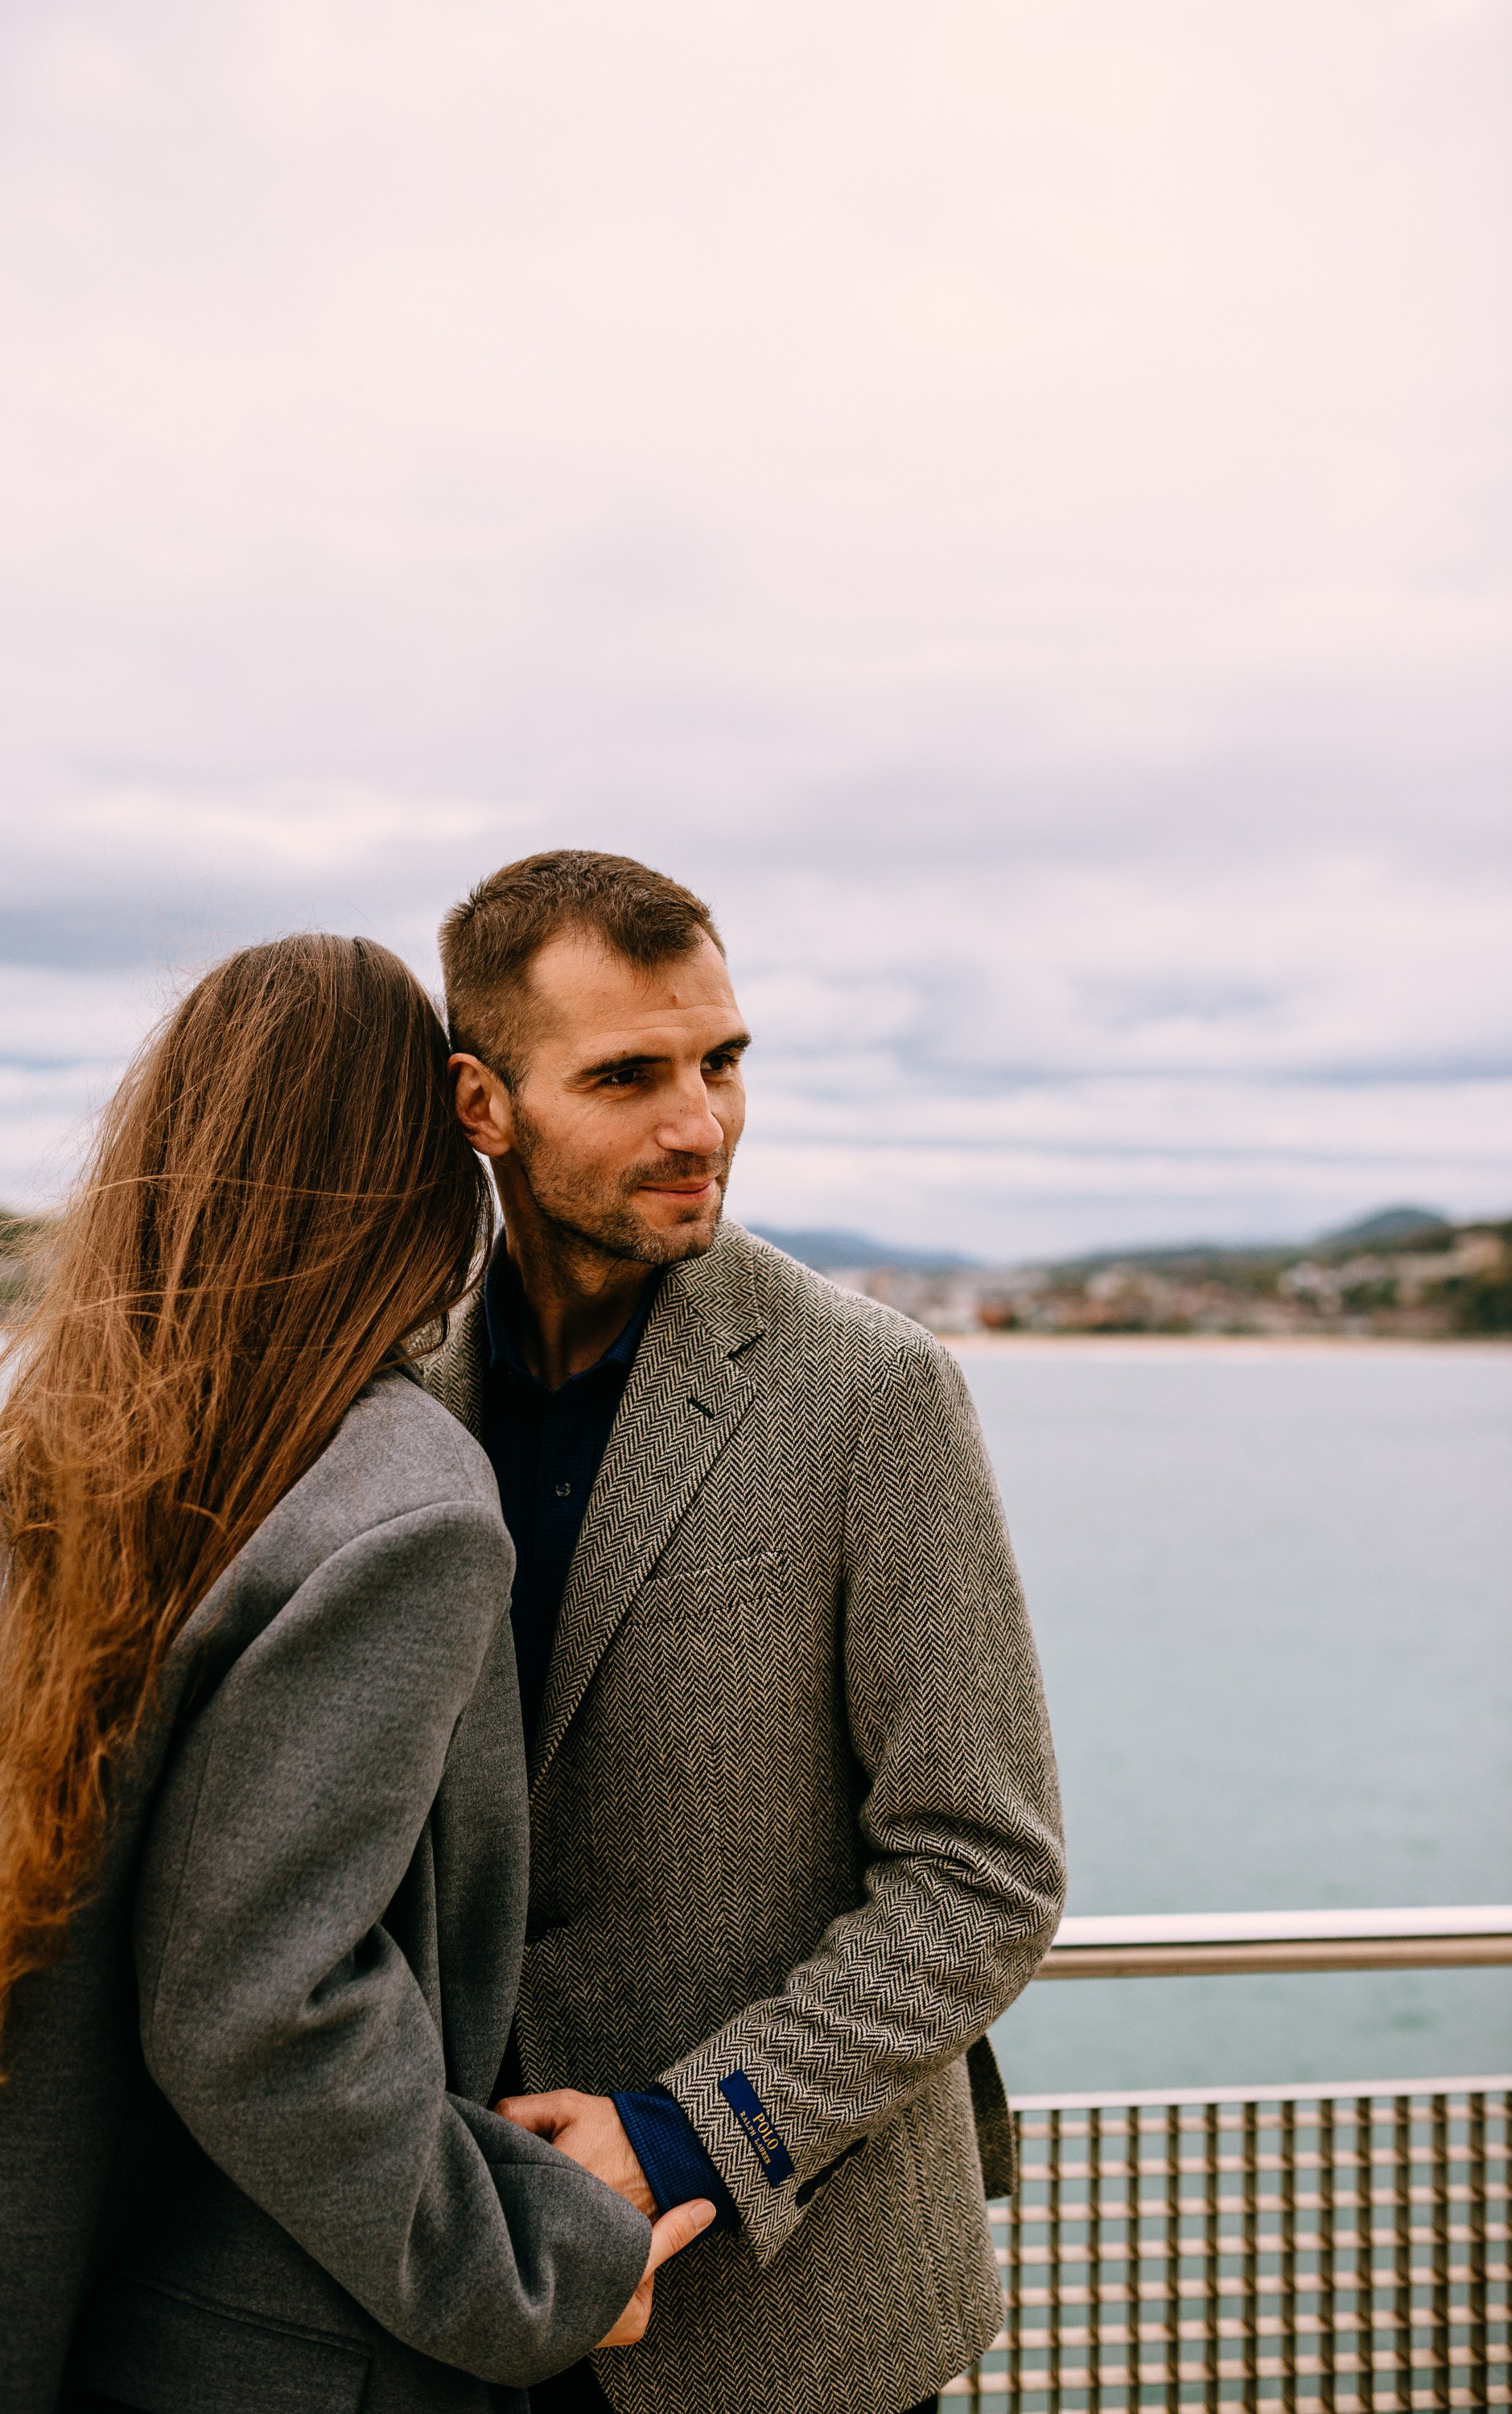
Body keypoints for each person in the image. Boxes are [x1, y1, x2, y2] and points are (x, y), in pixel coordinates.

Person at [0, 933, 711, 2414]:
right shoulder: (404, 1507)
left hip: (102, 2293)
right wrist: (539, 2269)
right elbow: (262, 2008)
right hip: (300, 2347)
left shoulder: (93, 1453)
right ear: (424, 1161)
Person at [424, 853, 1068, 2414]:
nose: (697, 1124)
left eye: (720, 1063)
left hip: (793, 2327)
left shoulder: (871, 1394)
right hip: (458, 2299)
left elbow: (984, 1868)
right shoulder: (396, 1389)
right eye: (628, 1075)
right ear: (480, 1106)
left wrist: (682, 2136)